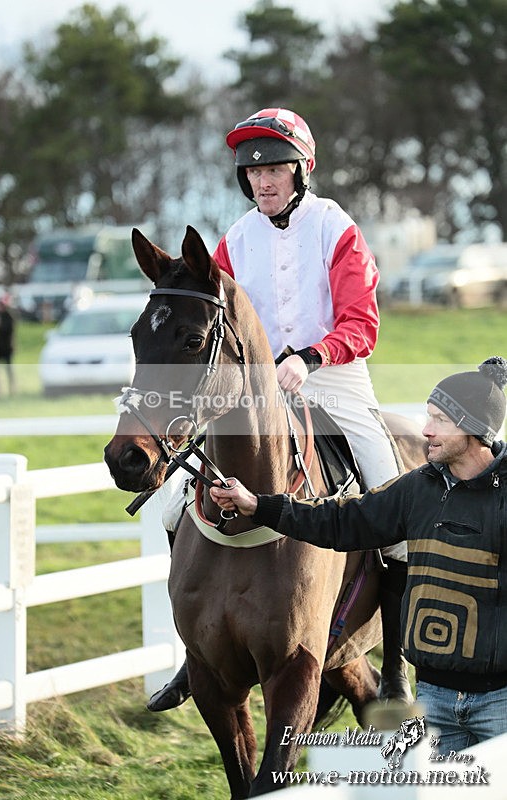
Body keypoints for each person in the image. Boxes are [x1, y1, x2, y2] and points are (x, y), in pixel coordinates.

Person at [149, 107, 410, 711]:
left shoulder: (336, 228)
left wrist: (312, 357)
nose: (263, 181)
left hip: (333, 378)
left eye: (275, 170)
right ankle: (196, 653)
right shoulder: (235, 240)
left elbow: (361, 323)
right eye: (253, 172)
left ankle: (394, 669)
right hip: (257, 390)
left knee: (389, 495)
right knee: (171, 503)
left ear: (301, 171)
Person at [210, 357, 507, 756]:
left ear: (473, 429)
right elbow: (341, 520)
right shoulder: (417, 489)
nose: (426, 429)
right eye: (428, 416)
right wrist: (257, 505)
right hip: (434, 696)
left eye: (440, 420)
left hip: (499, 701)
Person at [0, 293, 16, 395]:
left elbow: (7, 330)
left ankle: (12, 390)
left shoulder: (9, 316)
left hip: (7, 347)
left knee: (9, 370)